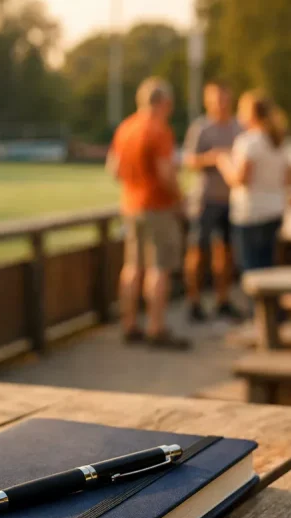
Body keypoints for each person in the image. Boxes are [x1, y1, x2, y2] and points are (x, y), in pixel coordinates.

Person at [106, 77, 190, 349]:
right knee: (159, 269)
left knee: (132, 268)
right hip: (157, 207)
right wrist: (179, 199)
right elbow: (166, 172)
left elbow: (114, 169)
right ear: (164, 102)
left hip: (130, 206)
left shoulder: (125, 127)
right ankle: (156, 327)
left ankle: (129, 324)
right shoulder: (158, 130)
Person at [182, 81, 244, 323]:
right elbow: (189, 160)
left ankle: (223, 299)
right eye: (216, 99)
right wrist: (213, 158)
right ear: (208, 101)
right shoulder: (201, 128)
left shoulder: (239, 127)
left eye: (224, 98)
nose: (221, 103)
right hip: (205, 200)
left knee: (226, 252)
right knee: (197, 251)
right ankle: (194, 301)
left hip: (231, 200)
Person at [216, 91, 291, 275]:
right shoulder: (278, 141)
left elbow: (240, 179)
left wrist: (222, 161)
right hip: (275, 211)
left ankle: (257, 305)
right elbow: (289, 178)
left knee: (252, 269)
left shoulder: (248, 142)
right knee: (269, 267)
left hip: (251, 213)